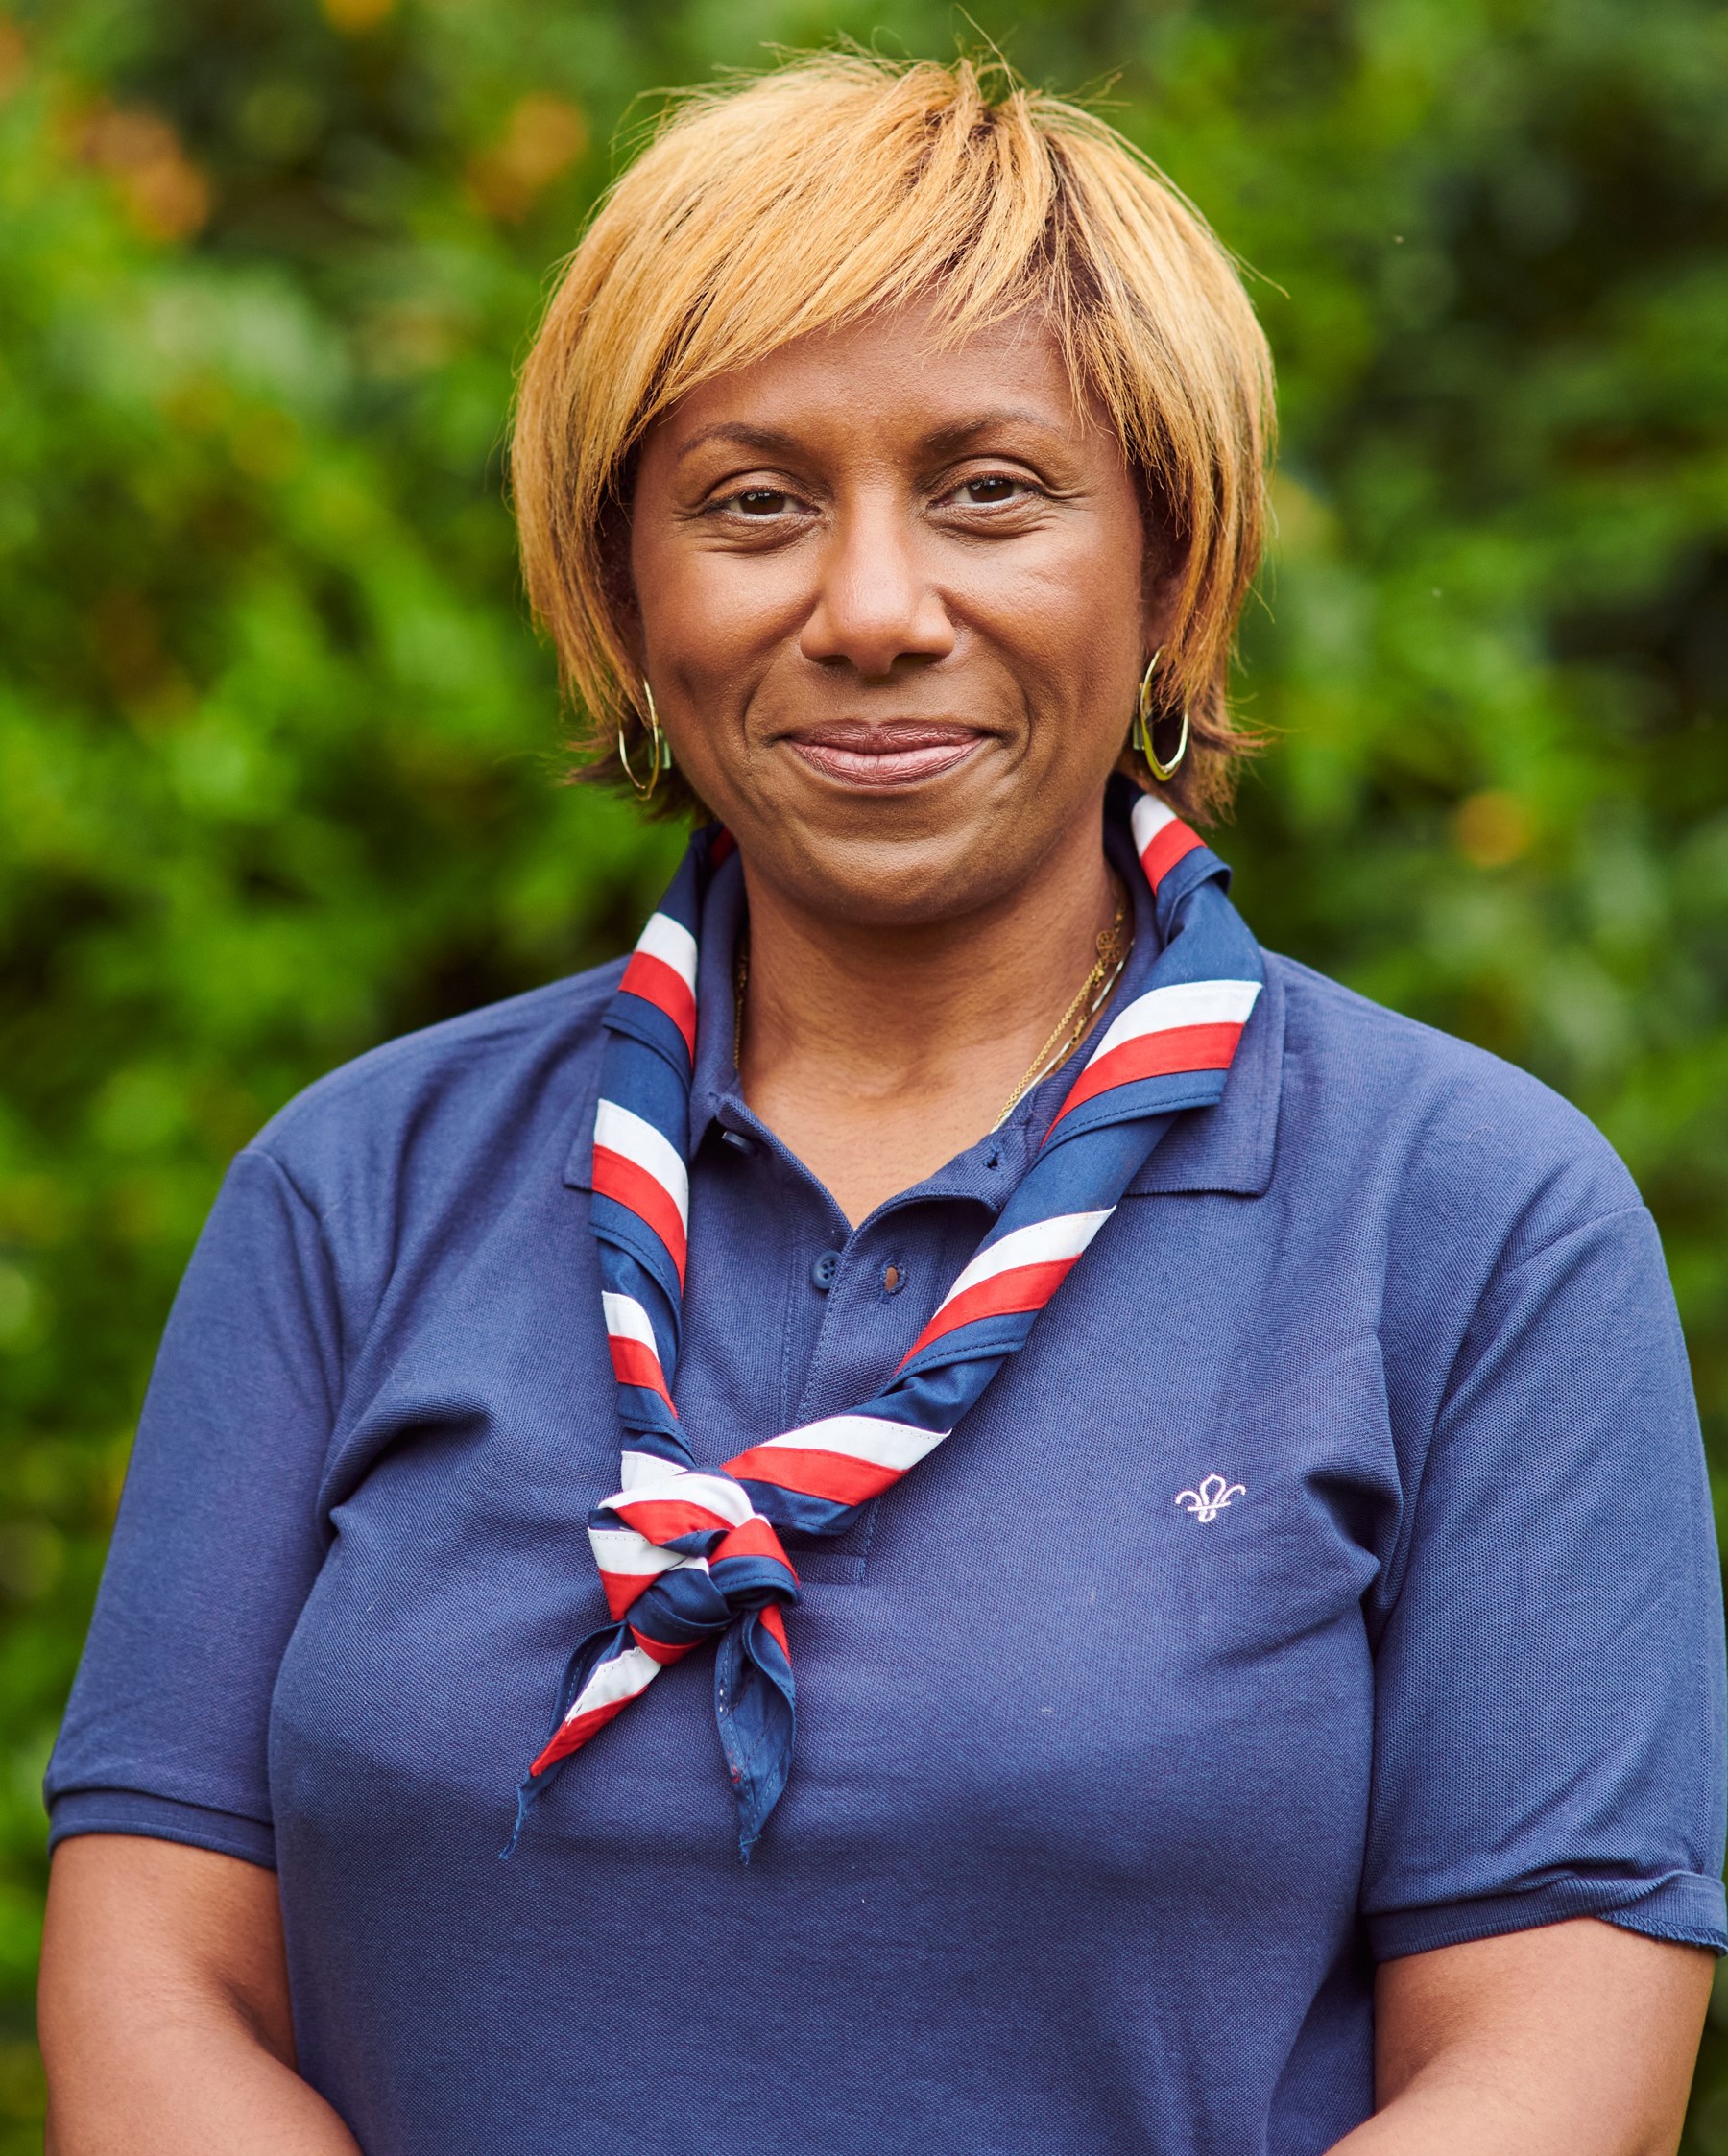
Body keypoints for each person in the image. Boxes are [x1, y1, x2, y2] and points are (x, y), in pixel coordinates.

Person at [36, 53, 1725, 2156]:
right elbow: (154, 1964)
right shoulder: (355, 1190)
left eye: (991, 489)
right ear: (626, 593)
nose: (870, 609)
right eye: (753, 502)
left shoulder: (1465, 1217)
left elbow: (1555, 2058)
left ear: (1172, 574)